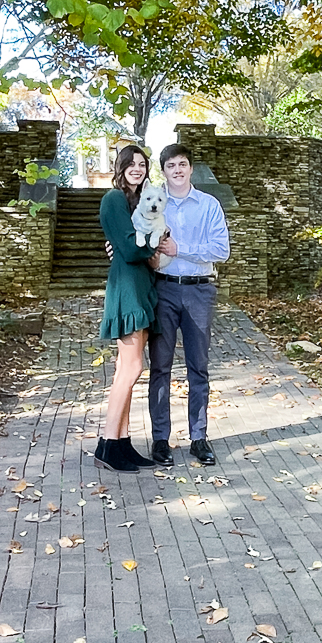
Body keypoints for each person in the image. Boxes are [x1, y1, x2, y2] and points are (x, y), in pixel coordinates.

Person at [148, 143, 230, 467]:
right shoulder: (153, 204)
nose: (177, 170)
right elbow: (139, 239)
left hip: (199, 292)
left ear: (190, 168)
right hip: (163, 291)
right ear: (164, 171)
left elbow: (220, 250)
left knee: (198, 367)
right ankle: (160, 440)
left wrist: (180, 248)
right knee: (160, 367)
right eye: (171, 166)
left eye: (182, 164)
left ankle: (199, 438)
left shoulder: (209, 205)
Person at [94, 144, 158, 474]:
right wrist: (149, 245)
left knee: (127, 370)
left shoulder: (137, 201)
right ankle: (108, 444)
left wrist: (141, 245)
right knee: (131, 369)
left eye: (142, 163)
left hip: (140, 285)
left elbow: (135, 243)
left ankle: (123, 441)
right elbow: (131, 250)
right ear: (120, 167)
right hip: (128, 288)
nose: (137, 168)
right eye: (130, 163)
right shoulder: (113, 199)